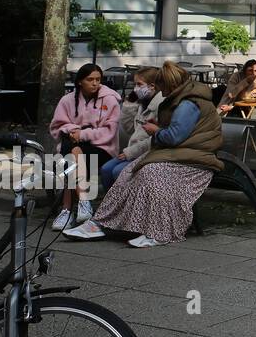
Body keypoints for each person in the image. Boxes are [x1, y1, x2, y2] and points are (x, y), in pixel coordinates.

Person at [64, 61, 224, 247]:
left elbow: (173, 137)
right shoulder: (182, 99)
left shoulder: (188, 104)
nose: (160, 91)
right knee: (129, 172)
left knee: (150, 174)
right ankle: (101, 223)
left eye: (161, 86)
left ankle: (158, 230)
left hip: (195, 159)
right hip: (181, 155)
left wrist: (155, 130)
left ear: (169, 84)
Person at [49, 63, 122, 231]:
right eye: (90, 79)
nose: (95, 83)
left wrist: (83, 134)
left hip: (102, 147)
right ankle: (83, 201)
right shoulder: (67, 100)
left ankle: (67, 211)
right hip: (74, 145)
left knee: (71, 158)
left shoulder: (110, 100)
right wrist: (72, 130)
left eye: (98, 79)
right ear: (80, 81)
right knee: (73, 153)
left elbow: (109, 132)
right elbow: (56, 126)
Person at [103, 67, 163, 191]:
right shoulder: (144, 102)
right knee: (106, 169)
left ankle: (126, 206)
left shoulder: (160, 105)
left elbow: (156, 139)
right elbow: (130, 129)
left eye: (139, 84)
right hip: (134, 151)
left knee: (118, 171)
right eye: (135, 84)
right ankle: (111, 204)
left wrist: (129, 153)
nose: (136, 88)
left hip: (148, 153)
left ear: (152, 86)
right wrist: (129, 105)